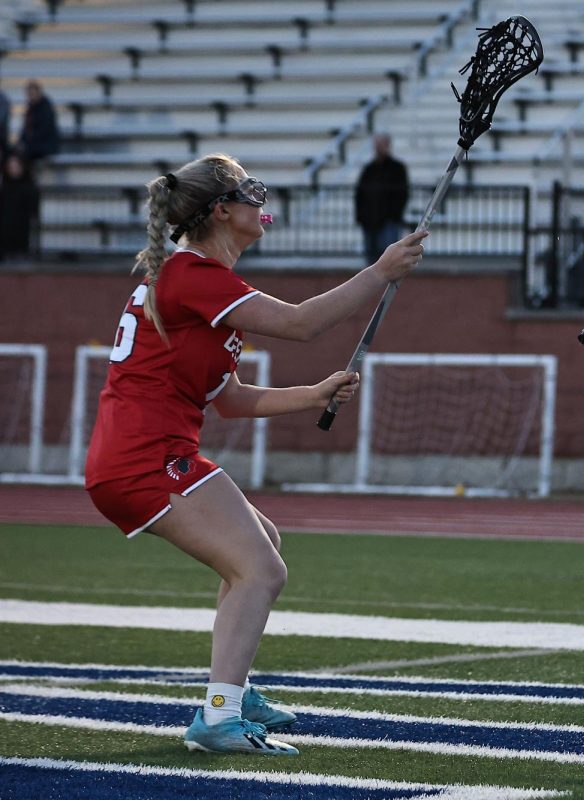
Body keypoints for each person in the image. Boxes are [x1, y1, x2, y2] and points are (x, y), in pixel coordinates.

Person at [84, 153, 428, 755]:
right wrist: (379, 271)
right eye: (249, 193)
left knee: (261, 544)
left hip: (147, 452)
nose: (260, 202)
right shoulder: (194, 275)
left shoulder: (199, 282)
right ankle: (218, 719)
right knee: (263, 571)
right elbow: (299, 324)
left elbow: (232, 401)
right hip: (143, 456)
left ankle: (232, 692)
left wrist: (312, 395)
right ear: (221, 210)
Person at [354, 133, 409, 266]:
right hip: (369, 222)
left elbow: (402, 194)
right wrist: (362, 217)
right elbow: (359, 194)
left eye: (381, 144)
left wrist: (393, 215)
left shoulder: (397, 168)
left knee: (388, 261)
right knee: (371, 263)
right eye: (376, 145)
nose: (378, 148)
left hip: (388, 222)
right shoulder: (369, 169)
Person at [0, 155, 38, 259]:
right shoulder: (4, 187)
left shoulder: (29, 187)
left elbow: (33, 208)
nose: (13, 170)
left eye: (16, 167)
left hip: (21, 224)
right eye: (11, 167)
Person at [17, 81, 60, 163]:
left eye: (32, 94)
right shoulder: (30, 108)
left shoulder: (45, 108)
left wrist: (26, 144)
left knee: (25, 153)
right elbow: (25, 129)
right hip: (36, 145)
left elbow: (43, 131)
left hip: (45, 146)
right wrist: (20, 142)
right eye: (29, 94)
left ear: (38, 93)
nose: (31, 96)